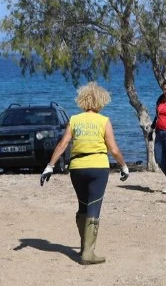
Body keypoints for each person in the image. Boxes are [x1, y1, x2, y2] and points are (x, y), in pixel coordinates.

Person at [40, 82, 129, 265]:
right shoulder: (103, 121)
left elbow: (62, 145)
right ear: (101, 100)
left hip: (77, 168)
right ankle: (88, 253)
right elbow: (113, 148)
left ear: (82, 99)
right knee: (94, 207)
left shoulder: (74, 119)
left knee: (82, 206)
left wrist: (50, 166)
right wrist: (123, 166)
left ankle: (84, 246)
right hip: (97, 167)